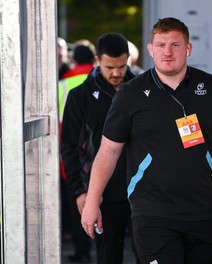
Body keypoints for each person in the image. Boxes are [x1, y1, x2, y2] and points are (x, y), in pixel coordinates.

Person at [81, 17, 212, 264]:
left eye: (175, 45)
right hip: (152, 214)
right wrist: (93, 201)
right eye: (160, 45)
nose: (167, 52)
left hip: (205, 212)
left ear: (188, 49)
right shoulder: (131, 94)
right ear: (150, 50)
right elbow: (108, 151)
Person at [61, 32, 138, 264]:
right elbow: (70, 147)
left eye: (122, 66)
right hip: (103, 194)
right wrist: (80, 191)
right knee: (108, 258)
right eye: (109, 67)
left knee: (150, 256)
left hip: (143, 192)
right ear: (97, 61)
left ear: (128, 61)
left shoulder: (142, 90)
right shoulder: (79, 96)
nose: (116, 73)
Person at [59, 44, 95, 263]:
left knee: (78, 206)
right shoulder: (102, 79)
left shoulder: (62, 85)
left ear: (73, 60)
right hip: (100, 153)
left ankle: (82, 252)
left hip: (72, 157)